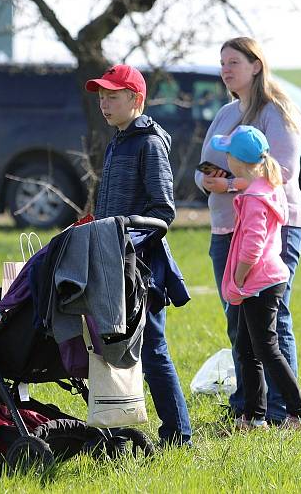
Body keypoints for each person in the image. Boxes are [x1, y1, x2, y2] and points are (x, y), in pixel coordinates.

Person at [195, 37, 301, 425]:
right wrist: (207, 179)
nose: (226, 69)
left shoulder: (277, 111)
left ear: (256, 65)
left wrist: (230, 185)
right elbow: (204, 163)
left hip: (274, 226)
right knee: (237, 320)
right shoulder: (226, 113)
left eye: (234, 62)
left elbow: (284, 172)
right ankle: (248, 407)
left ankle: (285, 411)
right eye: (222, 62)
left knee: (274, 320)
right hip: (226, 225)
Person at [85, 64, 192, 447]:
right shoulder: (118, 140)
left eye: (113, 96)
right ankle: (113, 429)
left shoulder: (148, 142)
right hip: (110, 260)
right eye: (101, 96)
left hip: (139, 266)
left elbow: (163, 212)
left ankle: (179, 435)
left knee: (153, 349)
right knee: (112, 346)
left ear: (136, 99)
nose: (104, 103)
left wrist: (125, 236)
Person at [210, 126, 301, 432]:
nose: (225, 157)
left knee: (267, 348)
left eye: (228, 153)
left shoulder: (256, 197)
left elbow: (253, 245)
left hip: (259, 282)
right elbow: (250, 183)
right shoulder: (264, 186)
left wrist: (240, 277)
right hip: (261, 281)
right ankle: (254, 417)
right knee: (245, 349)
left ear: (237, 160)